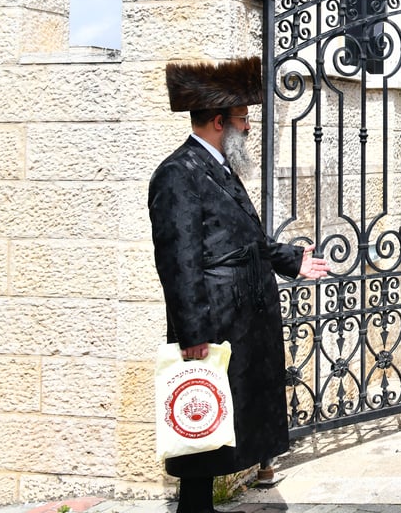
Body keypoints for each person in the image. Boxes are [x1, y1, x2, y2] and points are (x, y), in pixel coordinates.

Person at [149, 56, 327, 513]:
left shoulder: (216, 167)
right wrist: (194, 333)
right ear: (216, 121)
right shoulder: (177, 174)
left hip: (240, 317)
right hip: (214, 318)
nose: (248, 128)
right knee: (201, 412)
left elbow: (243, 239)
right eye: (243, 118)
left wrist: (293, 260)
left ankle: (202, 503)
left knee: (223, 417)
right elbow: (178, 260)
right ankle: (195, 508)